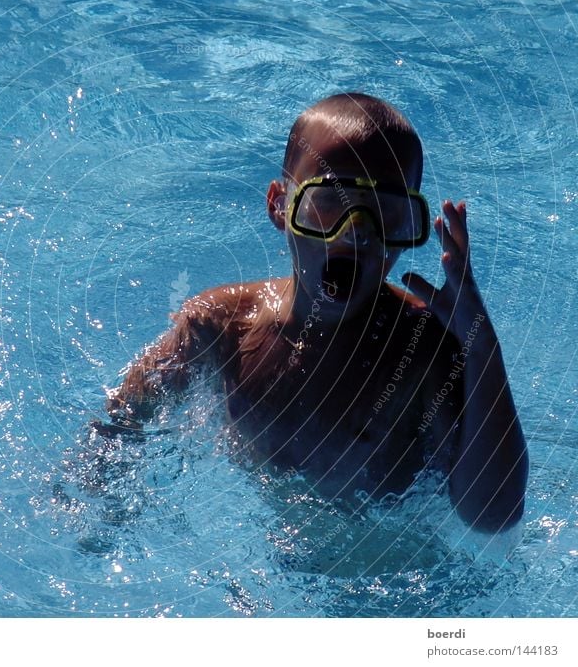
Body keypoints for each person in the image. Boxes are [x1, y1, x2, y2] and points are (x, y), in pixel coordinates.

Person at [98, 93, 528, 533]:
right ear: (280, 206)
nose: (357, 235)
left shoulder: (422, 351)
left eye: (387, 214)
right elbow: (126, 416)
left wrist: (482, 351)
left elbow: (493, 516)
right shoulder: (219, 325)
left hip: (386, 571)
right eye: (329, 205)